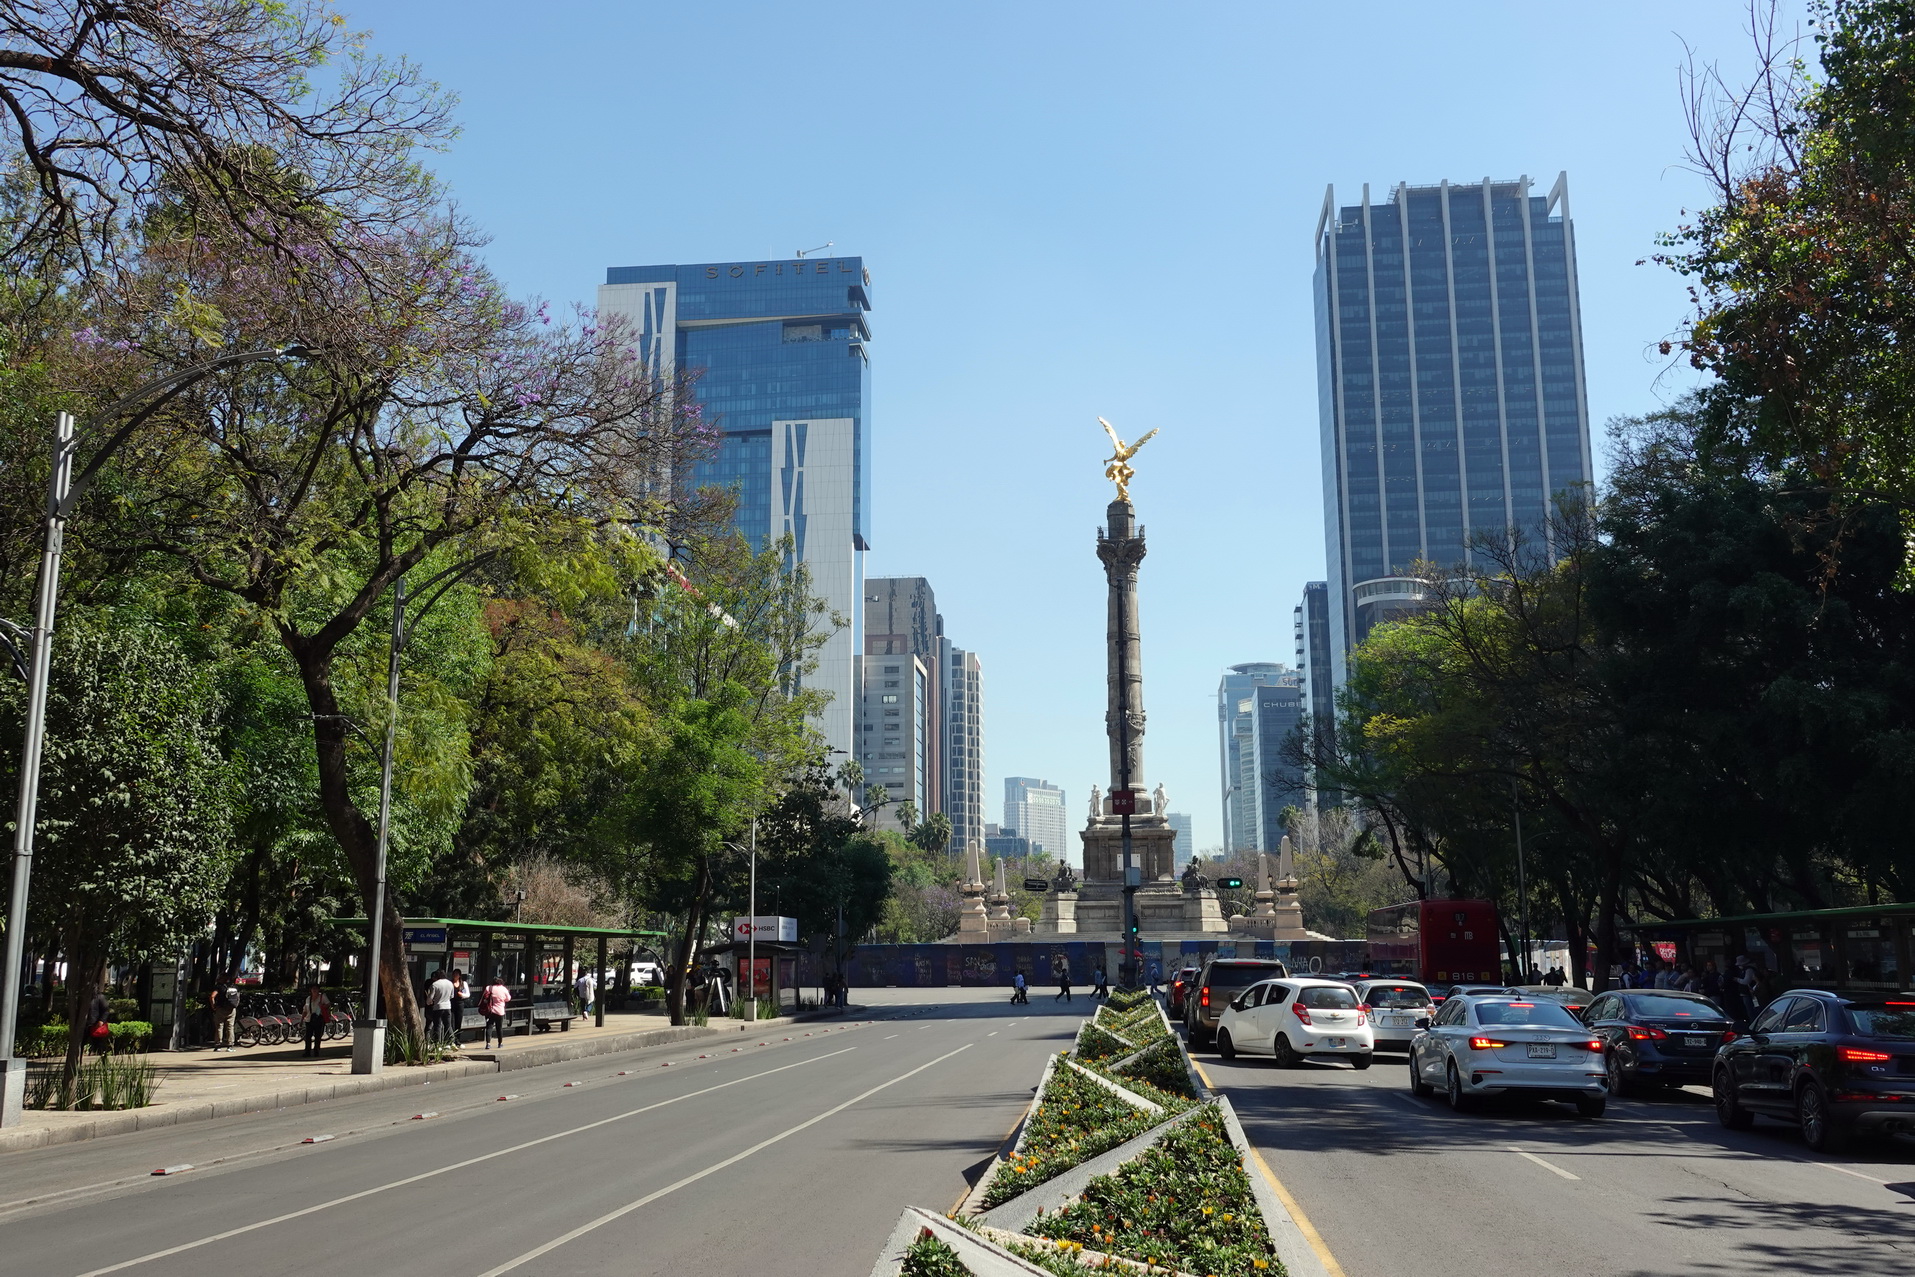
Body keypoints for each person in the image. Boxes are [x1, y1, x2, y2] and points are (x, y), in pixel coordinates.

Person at [481, 972, 512, 1047]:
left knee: (489, 1026)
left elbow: (484, 997)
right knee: (499, 1027)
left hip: (490, 1010)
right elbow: (508, 998)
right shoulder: (504, 989)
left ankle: (488, 1044)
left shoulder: (489, 988)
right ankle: (500, 1043)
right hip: (500, 1011)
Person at [424, 968, 454, 1044]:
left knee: (437, 1026)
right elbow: (452, 996)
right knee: (448, 1025)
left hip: (438, 1007)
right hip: (447, 1006)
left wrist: (430, 1002)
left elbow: (430, 999)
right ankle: (451, 1041)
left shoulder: (434, 985)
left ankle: (437, 1043)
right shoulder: (450, 983)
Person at [301, 983, 331, 1058]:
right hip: (309, 1019)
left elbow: (328, 1004)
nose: (314, 990)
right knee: (308, 1036)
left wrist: (322, 1006)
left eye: (316, 989)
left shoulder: (322, 997)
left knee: (318, 1036)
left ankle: (316, 1051)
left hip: (319, 1018)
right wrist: (302, 1019)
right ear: (310, 990)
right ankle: (307, 1051)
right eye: (313, 989)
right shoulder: (308, 998)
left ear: (318, 990)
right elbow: (305, 1010)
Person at [210, 979, 239, 1052]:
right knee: (230, 1027)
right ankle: (230, 1046)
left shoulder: (219, 987)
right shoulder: (234, 987)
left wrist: (213, 1006)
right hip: (232, 1009)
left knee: (219, 1026)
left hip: (221, 1009)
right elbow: (238, 998)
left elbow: (212, 996)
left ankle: (218, 1045)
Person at [85, 989, 111, 1055]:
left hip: (96, 1025)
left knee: (99, 1044)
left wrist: (101, 1020)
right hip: (86, 1024)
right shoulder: (83, 997)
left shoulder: (100, 997)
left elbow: (106, 1010)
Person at [448, 969, 469, 1047]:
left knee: (458, 1022)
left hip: (460, 1003)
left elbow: (468, 994)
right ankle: (451, 1040)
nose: (455, 975)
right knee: (451, 1022)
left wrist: (462, 995)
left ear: (460, 975)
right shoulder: (450, 983)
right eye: (454, 974)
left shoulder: (463, 983)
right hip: (451, 1003)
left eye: (457, 974)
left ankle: (457, 1040)